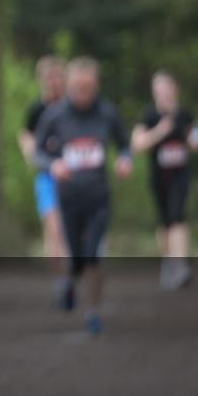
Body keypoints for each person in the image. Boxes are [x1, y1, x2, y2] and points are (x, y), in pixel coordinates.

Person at [34, 57, 132, 335]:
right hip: (68, 198)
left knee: (94, 255)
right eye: (77, 87)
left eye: (88, 88)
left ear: (96, 86)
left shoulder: (107, 113)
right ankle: (68, 282)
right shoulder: (55, 114)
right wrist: (53, 164)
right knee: (76, 257)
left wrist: (125, 160)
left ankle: (93, 312)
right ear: (68, 85)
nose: (82, 94)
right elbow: (38, 153)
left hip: (98, 197)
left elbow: (125, 145)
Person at [131, 71, 198, 290]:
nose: (163, 94)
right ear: (154, 93)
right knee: (164, 222)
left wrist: (193, 139)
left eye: (167, 89)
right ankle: (169, 261)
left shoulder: (185, 115)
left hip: (180, 176)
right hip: (158, 177)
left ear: (175, 90)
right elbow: (137, 144)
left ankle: (180, 265)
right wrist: (160, 132)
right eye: (159, 90)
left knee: (177, 215)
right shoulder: (148, 115)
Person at [17, 56, 68, 268]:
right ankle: (58, 275)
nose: (53, 82)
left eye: (57, 77)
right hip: (47, 175)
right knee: (52, 225)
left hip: (72, 174)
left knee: (69, 228)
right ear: (41, 80)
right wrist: (31, 152)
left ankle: (71, 274)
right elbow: (25, 135)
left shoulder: (71, 107)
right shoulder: (36, 110)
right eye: (49, 77)